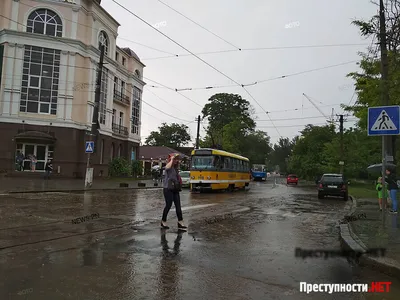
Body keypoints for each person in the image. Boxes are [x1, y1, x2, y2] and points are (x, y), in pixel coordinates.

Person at [161, 153, 187, 230]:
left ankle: (180, 222)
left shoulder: (176, 168)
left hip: (175, 189)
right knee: (168, 205)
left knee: (178, 205)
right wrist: (172, 159)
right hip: (168, 189)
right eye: (175, 159)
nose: (176, 160)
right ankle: (163, 221)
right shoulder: (169, 166)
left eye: (177, 159)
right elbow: (166, 168)